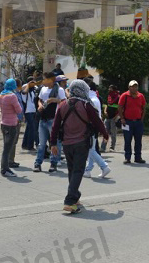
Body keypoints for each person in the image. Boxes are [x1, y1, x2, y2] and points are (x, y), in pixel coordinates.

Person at [51, 80, 110, 214]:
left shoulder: (62, 105)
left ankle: (75, 196)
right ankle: (69, 201)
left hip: (66, 144)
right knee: (78, 171)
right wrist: (105, 135)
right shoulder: (86, 105)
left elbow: (55, 126)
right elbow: (97, 121)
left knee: (72, 171)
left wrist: (53, 143)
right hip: (81, 143)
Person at [34, 72, 65, 172]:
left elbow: (64, 102)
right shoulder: (43, 89)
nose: (43, 81)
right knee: (41, 144)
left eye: (45, 79)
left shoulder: (59, 90)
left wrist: (54, 100)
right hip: (43, 118)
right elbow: (40, 100)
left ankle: (53, 163)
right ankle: (38, 163)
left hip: (53, 119)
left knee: (54, 143)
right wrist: (39, 105)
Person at [83, 79, 111, 179]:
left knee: (90, 149)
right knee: (92, 149)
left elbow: (93, 117)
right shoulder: (93, 98)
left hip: (91, 128)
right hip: (93, 127)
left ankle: (104, 166)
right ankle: (88, 170)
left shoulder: (92, 100)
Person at [0, 79, 23, 177]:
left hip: (4, 123)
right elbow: (19, 110)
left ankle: (4, 168)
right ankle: (5, 169)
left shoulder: (2, 94)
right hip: (11, 124)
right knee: (7, 149)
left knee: (6, 147)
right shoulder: (12, 96)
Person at [119, 80, 147, 164]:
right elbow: (120, 107)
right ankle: (127, 157)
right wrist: (122, 118)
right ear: (129, 87)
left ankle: (138, 157)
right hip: (127, 122)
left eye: (136, 86)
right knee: (127, 140)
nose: (134, 88)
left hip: (138, 122)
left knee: (138, 141)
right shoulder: (124, 96)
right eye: (133, 86)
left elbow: (144, 108)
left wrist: (142, 119)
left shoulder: (141, 96)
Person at [20, 79, 39, 151]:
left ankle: (25, 144)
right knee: (32, 128)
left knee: (29, 128)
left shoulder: (35, 88)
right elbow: (24, 92)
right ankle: (30, 146)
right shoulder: (25, 87)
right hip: (28, 111)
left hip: (34, 110)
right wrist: (28, 85)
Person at [103, 85, 120, 152]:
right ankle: (103, 147)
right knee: (105, 132)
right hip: (107, 117)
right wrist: (105, 111)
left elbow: (120, 107)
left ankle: (112, 147)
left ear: (114, 89)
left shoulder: (118, 97)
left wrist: (117, 116)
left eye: (110, 88)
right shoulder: (109, 96)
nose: (109, 89)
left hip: (114, 117)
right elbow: (106, 105)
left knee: (113, 133)